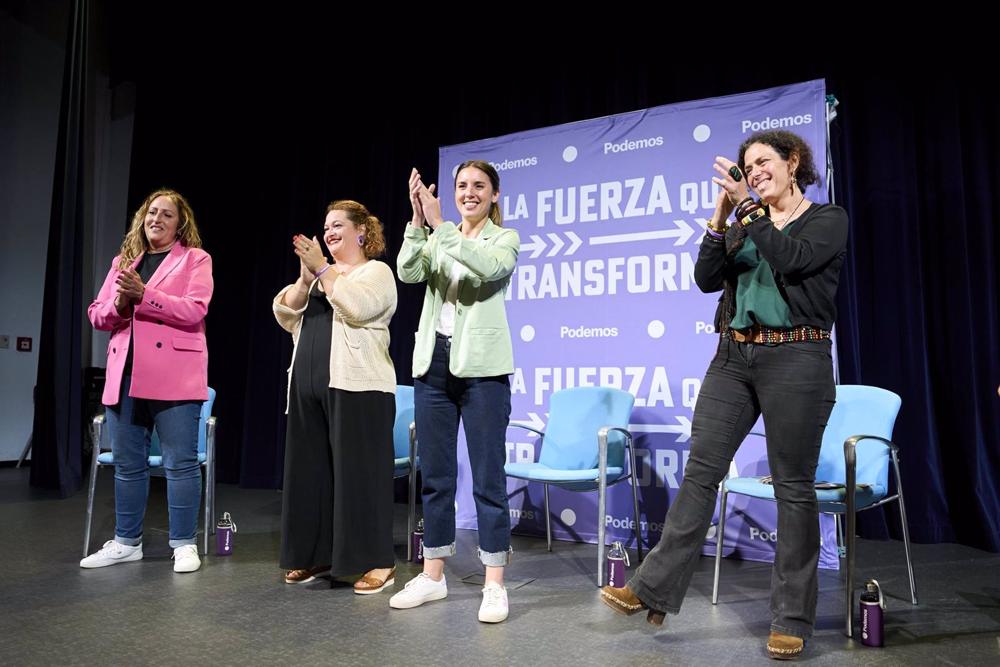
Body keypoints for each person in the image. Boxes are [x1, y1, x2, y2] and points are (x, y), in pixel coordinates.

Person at [600, 130, 849, 660]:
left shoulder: (827, 219)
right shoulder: (743, 223)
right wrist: (720, 218)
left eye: (763, 162)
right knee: (701, 472)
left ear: (793, 162)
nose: (754, 172)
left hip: (796, 358)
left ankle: (792, 619)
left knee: (793, 488)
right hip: (734, 359)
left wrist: (749, 211)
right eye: (747, 167)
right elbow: (705, 278)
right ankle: (650, 589)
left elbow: (790, 260)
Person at [390, 161, 519, 623]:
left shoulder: (505, 239)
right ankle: (433, 575)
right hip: (433, 364)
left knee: (488, 479)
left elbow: (485, 268)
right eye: (462, 185)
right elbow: (408, 272)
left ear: (494, 194)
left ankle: (494, 583)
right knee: (437, 477)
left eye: (479, 186)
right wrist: (417, 221)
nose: (469, 192)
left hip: (483, 371)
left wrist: (440, 225)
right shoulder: (440, 236)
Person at [82, 189, 213, 573]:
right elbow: (97, 314)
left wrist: (145, 294)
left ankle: (184, 543)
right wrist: (120, 303)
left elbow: (195, 310)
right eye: (152, 212)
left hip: (174, 374)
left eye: (167, 214)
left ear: (180, 224)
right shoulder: (124, 262)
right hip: (125, 374)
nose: (157, 219)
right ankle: (127, 542)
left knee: (180, 463)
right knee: (127, 464)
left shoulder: (195, 259)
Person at [273, 200, 398, 594]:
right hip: (308, 388)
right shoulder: (319, 278)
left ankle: (378, 560)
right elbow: (285, 314)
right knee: (311, 475)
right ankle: (317, 555)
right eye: (326, 226)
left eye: (338, 225)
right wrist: (303, 277)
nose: (328, 232)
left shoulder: (375, 272)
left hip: (359, 388)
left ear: (361, 232)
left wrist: (324, 270)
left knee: (360, 477)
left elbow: (357, 308)